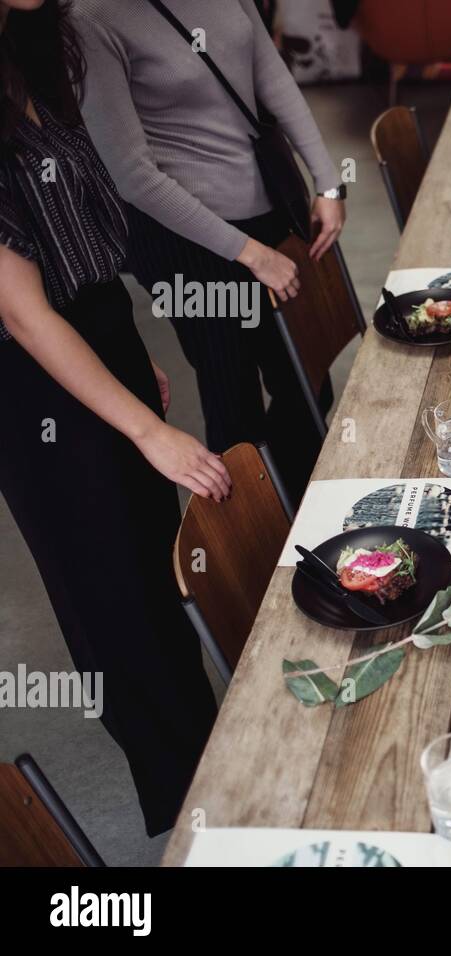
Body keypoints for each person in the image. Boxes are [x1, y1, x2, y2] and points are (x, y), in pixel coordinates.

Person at [0, 0, 227, 835]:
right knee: (112, 598)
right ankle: (186, 816)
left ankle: (217, 777)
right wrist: (145, 428)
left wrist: (132, 358)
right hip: (32, 382)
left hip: (93, 337)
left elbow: (81, 234)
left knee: (151, 573)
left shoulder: (34, 50)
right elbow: (23, 316)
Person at [71, 0, 348, 502]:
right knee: (234, 403)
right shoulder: (93, 17)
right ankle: (250, 557)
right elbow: (133, 177)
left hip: (264, 204)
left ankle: (294, 513)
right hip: (185, 239)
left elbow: (270, 73)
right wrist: (250, 253)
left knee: (307, 378)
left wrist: (328, 182)